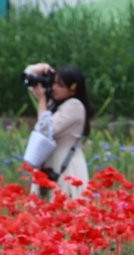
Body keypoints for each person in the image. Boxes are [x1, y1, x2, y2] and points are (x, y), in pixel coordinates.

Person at [26, 63, 93, 200]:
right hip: (49, 164)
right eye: (54, 83)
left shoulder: (74, 106)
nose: (54, 88)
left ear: (73, 90)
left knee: (64, 207)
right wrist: (38, 68)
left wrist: (42, 100)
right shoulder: (55, 102)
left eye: (60, 85)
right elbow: (29, 80)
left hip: (64, 167)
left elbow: (45, 131)